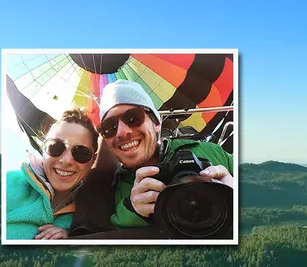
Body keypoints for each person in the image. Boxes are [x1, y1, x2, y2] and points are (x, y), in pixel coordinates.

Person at [97, 80, 234, 230]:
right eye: (109, 127)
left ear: (156, 123)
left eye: (132, 118)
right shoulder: (106, 189)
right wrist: (132, 210)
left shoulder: (213, 152)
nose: (122, 132)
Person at [6, 108, 99, 240]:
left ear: (92, 161)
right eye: (55, 147)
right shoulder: (9, 183)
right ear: (43, 149)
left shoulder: (90, 214)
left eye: (81, 153)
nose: (66, 160)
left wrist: (69, 237)